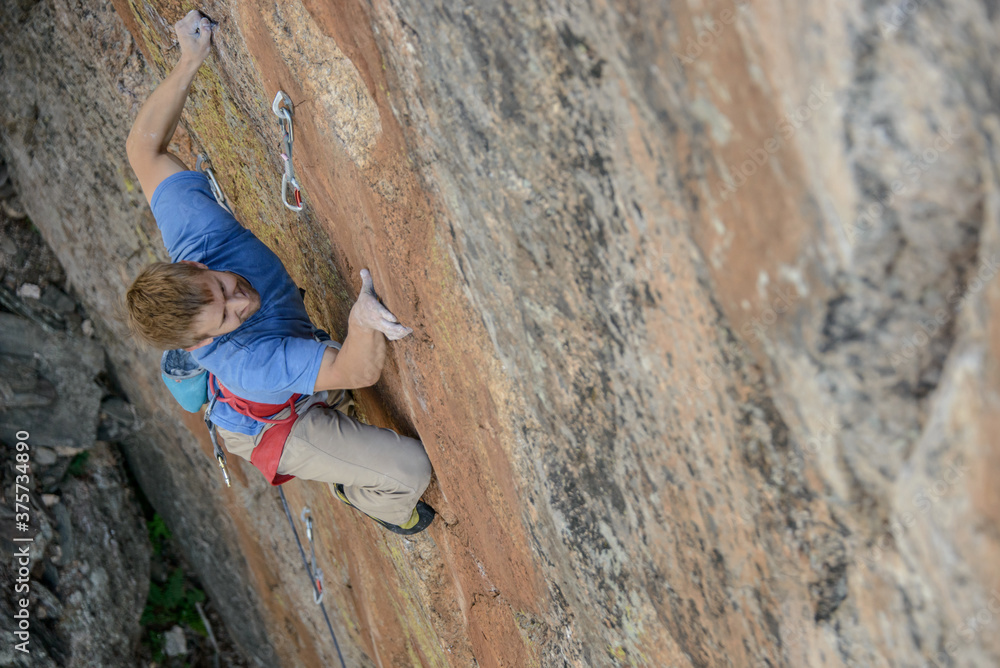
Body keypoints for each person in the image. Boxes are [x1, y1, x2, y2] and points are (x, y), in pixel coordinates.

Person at [123, 10, 433, 534]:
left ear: (194, 265)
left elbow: (142, 149)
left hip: (285, 369)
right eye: (226, 317)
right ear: (201, 344)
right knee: (409, 471)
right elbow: (356, 372)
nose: (240, 301)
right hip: (274, 425)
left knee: (316, 373)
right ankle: (363, 494)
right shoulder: (248, 363)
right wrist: (362, 321)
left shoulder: (198, 234)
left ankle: (322, 404)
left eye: (221, 287)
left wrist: (190, 59)